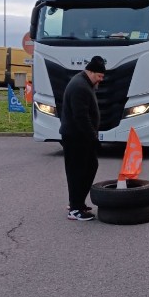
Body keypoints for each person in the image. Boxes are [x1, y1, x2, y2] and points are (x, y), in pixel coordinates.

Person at [59, 56, 106, 221]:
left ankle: (77, 202)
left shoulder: (84, 82)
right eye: (99, 76)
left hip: (79, 136)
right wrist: (93, 138)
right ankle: (75, 209)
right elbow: (81, 117)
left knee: (89, 167)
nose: (100, 80)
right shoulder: (80, 86)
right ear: (91, 71)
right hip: (76, 137)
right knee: (78, 171)